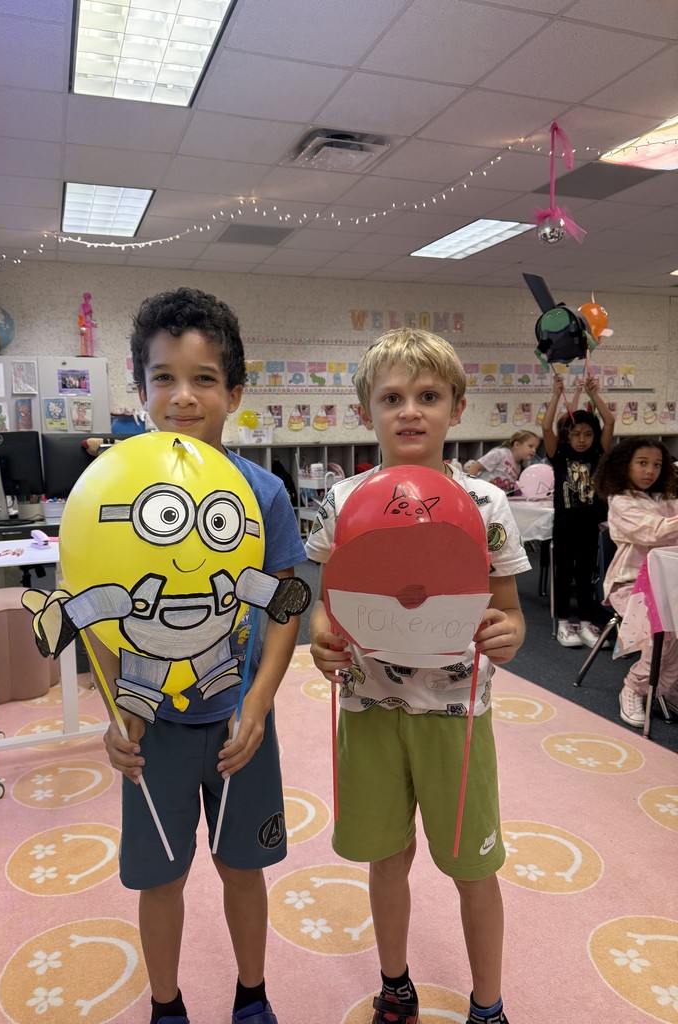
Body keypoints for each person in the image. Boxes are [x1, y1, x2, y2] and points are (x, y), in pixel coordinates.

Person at [306, 328, 530, 1024]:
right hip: (371, 710)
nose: (410, 411)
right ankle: (395, 983)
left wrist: (507, 634)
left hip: (456, 718)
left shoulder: (488, 505)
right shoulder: (344, 501)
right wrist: (322, 644)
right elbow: (326, 605)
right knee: (386, 858)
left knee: (473, 868)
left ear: (456, 408)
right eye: (392, 397)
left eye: (428, 396)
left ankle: (487, 1004)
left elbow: (512, 617)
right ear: (367, 412)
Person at [97, 288, 308, 1024]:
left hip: (238, 721)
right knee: (162, 877)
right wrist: (115, 705)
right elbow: (100, 606)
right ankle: (166, 1005)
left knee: (242, 868)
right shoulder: (114, 490)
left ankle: (252, 996)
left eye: (205, 378)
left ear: (235, 392)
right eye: (163, 377)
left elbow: (286, 604)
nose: (183, 396)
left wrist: (259, 703)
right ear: (141, 386)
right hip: (152, 724)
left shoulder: (263, 493)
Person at [593, 438, 678, 727]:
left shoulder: (665, 498)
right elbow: (654, 533)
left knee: (673, 625)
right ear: (624, 465)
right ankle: (635, 686)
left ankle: (666, 685)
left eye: (657, 465)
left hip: (669, 582)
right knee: (663, 629)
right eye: (642, 463)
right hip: (631, 585)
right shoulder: (621, 501)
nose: (650, 471)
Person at [543, 373, 615, 648]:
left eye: (588, 434)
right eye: (576, 434)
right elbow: (547, 426)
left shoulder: (598, 454)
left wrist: (594, 393)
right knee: (564, 573)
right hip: (565, 524)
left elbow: (609, 421)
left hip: (590, 524)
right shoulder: (559, 455)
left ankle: (586, 623)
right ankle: (563, 622)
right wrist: (555, 394)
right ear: (568, 436)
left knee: (586, 574)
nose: (582, 439)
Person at [464, 430, 540, 493]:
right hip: (482, 493)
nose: (534, 451)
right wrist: (469, 490)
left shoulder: (519, 466)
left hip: (496, 498)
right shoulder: (500, 454)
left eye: (535, 448)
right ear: (516, 445)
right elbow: (475, 467)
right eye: (530, 446)